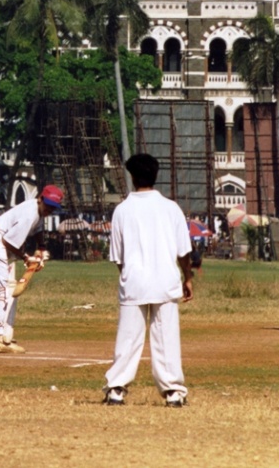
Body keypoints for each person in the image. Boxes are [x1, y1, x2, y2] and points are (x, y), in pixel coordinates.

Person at [103, 153, 193, 408]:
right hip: (166, 281)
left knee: (128, 338)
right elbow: (184, 252)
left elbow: (118, 257)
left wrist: (129, 272)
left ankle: (116, 389)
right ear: (155, 176)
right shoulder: (170, 208)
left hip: (134, 281)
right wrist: (188, 278)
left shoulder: (122, 210)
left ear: (132, 177)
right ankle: (174, 391)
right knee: (166, 339)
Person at [0, 184, 64, 353]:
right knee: (3, 289)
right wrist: (26, 257)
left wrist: (42, 247)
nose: (50, 210)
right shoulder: (30, 214)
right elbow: (9, 241)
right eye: (49, 206)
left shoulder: (36, 209)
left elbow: (38, 230)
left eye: (54, 208)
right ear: (41, 199)